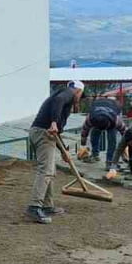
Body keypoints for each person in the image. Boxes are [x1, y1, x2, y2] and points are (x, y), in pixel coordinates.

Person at [27, 81, 84, 224]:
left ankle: (47, 206)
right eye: (81, 95)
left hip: (42, 133)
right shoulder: (68, 93)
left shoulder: (60, 95)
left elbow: (56, 133)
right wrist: (53, 122)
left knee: (50, 171)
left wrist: (64, 151)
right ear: (78, 91)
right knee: (46, 170)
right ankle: (34, 207)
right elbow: (58, 102)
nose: (79, 99)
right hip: (44, 133)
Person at [77, 97, 127, 171]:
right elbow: (84, 132)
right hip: (98, 107)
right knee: (94, 134)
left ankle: (110, 162)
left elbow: (125, 133)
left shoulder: (116, 120)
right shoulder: (90, 118)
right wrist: (83, 146)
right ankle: (95, 155)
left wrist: (124, 148)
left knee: (112, 139)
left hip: (114, 108)